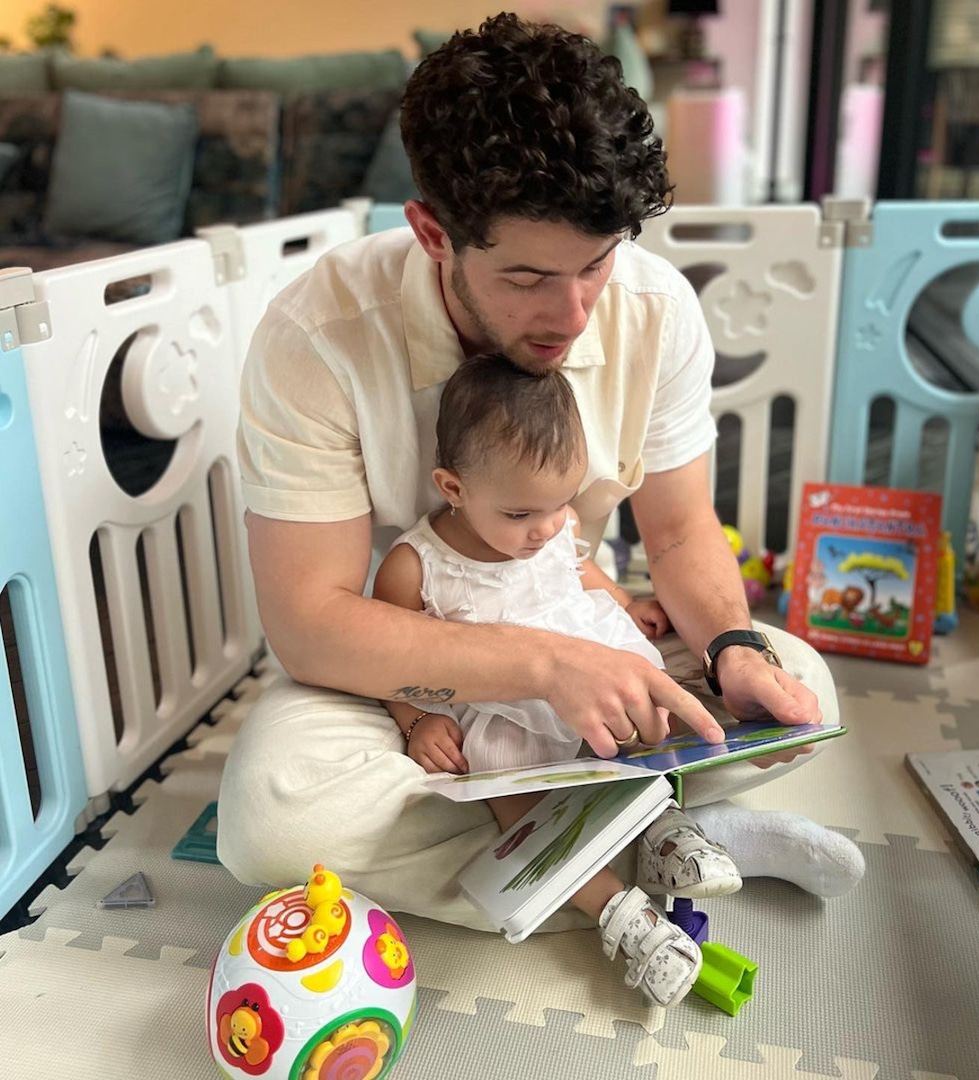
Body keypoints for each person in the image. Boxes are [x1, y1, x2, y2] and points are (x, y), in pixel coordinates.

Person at [217, 12, 864, 932]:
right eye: (527, 278)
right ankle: (661, 841)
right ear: (433, 234)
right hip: (409, 677)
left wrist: (732, 647)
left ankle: (576, 848)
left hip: (581, 622)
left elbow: (681, 532)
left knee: (802, 688)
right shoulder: (315, 337)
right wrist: (540, 665)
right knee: (273, 822)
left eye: (596, 264)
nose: (573, 313)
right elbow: (310, 625)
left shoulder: (656, 311)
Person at [376, 354, 744, 1006]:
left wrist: (626, 605)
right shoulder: (416, 566)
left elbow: (577, 568)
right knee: (512, 794)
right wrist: (418, 720)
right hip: (505, 704)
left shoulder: (555, 524)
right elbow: (388, 660)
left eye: (561, 503)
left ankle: (663, 828)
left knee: (654, 713)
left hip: (592, 660)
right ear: (453, 487)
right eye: (521, 514)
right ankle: (620, 913)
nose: (546, 528)